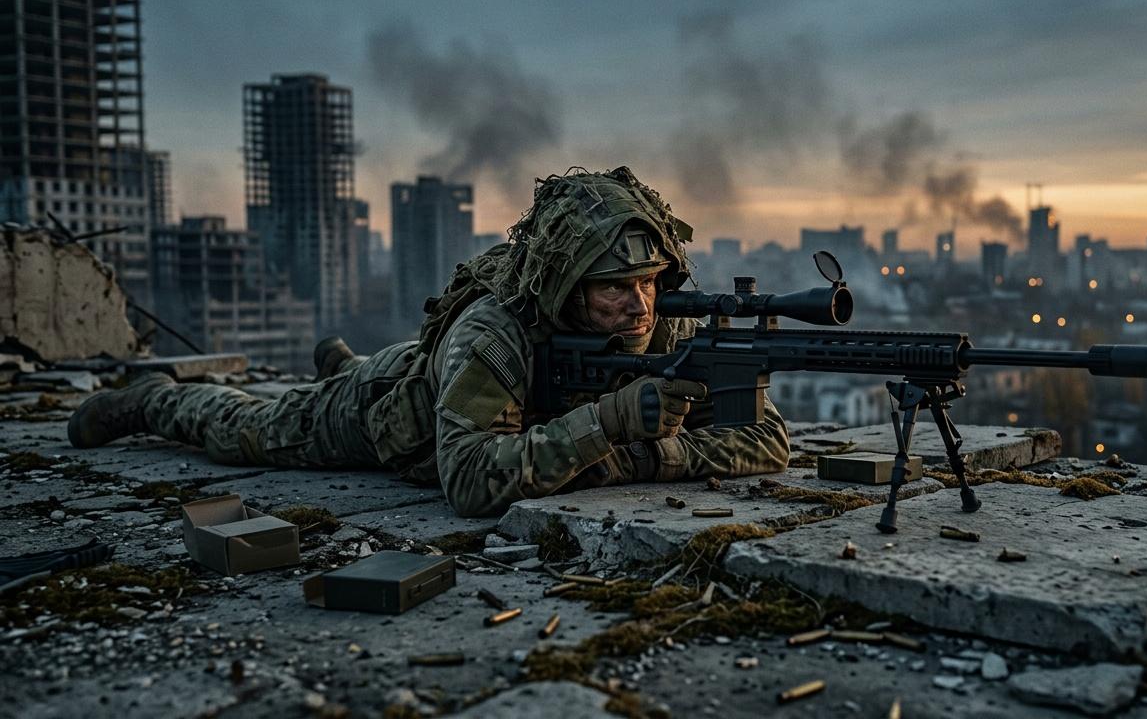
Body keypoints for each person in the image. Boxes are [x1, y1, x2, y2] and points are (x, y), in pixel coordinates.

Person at [67, 167, 790, 516]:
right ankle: (156, 401)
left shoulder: (666, 319)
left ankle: (338, 361)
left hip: (467, 402)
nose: (640, 306)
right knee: (249, 428)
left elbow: (769, 443)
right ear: (569, 288)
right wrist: (607, 423)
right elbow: (471, 482)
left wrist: (644, 450)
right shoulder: (496, 333)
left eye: (652, 281)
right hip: (390, 416)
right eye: (615, 288)